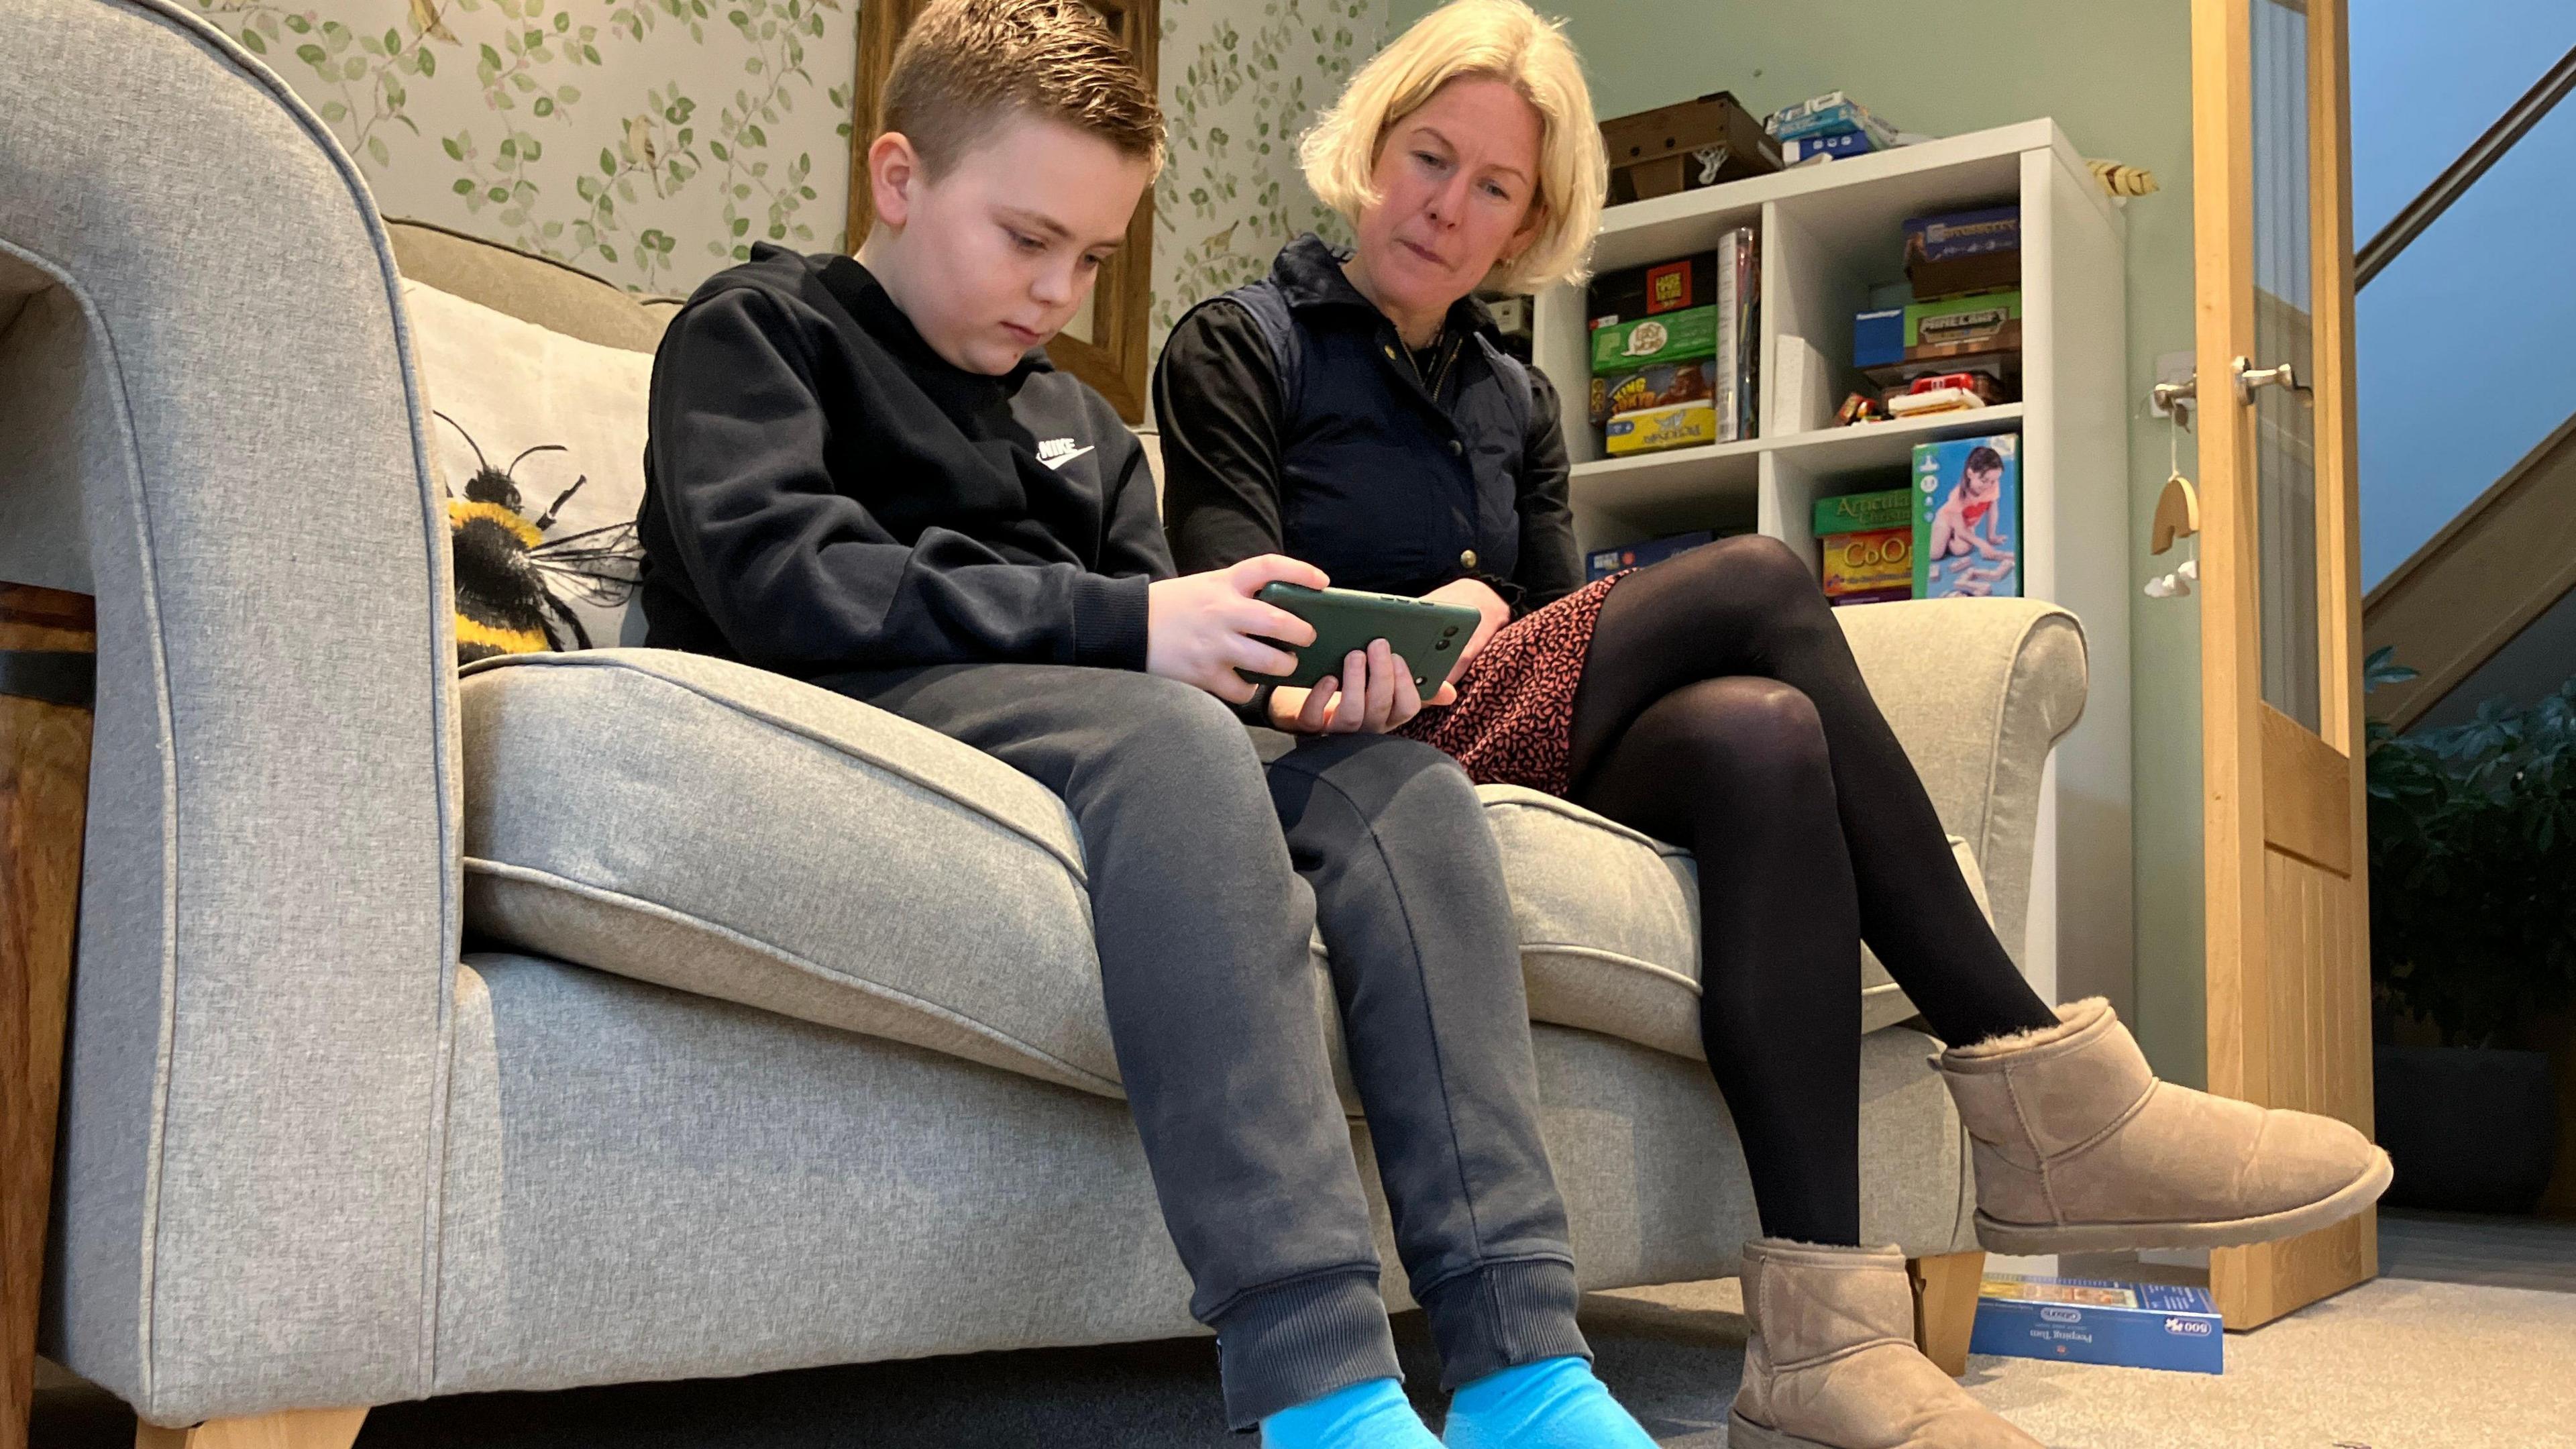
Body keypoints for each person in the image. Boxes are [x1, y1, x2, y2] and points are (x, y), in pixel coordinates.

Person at [1154, 3, 2394, 1445]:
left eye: (1497, 188)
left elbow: (1563, 623)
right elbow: (1231, 621)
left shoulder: (1518, 397)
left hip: (1511, 727)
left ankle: (1820, 1347)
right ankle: (2044, 1086)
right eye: (1430, 158)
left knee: (1763, 736)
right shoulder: (1240, 344)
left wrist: (1501, 620)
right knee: (1755, 576)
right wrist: (1406, 625)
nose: (1451, 205)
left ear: (1528, 220)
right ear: (1370, 147)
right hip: (1355, 760)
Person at [635, 2, 1656, 1444]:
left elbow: (1163, 642)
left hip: (1093, 727)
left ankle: (1522, 1368)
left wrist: (1301, 686)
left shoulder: (1081, 425)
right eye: (1025, 238)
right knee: (1169, 738)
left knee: (1402, 791)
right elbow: (783, 578)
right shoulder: (762, 333)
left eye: (1095, 258)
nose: (1057, 290)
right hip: (857, 697)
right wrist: (1133, 630)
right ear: (900, 177)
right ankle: (1320, 1390)